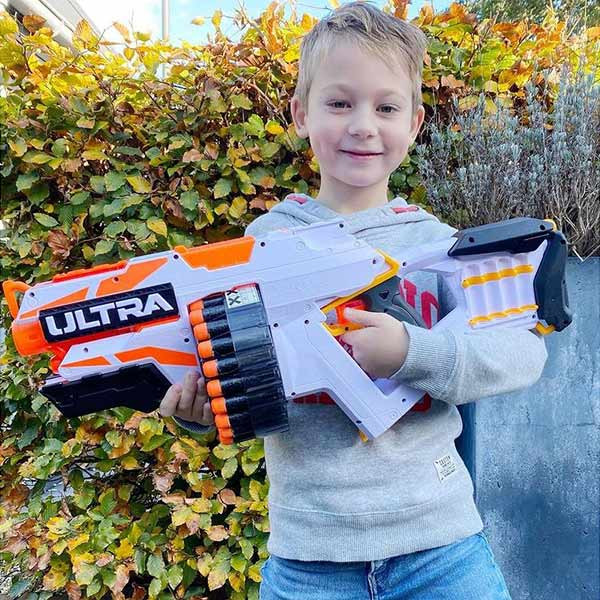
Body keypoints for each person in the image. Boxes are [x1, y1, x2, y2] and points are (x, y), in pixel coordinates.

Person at [159, 3, 548, 598]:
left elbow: (522, 354)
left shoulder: (438, 245)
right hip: (308, 560)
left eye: (386, 107)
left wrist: (412, 353)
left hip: (441, 549)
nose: (364, 125)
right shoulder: (257, 249)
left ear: (414, 123)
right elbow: (241, 390)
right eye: (340, 103)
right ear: (300, 114)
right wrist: (206, 411)